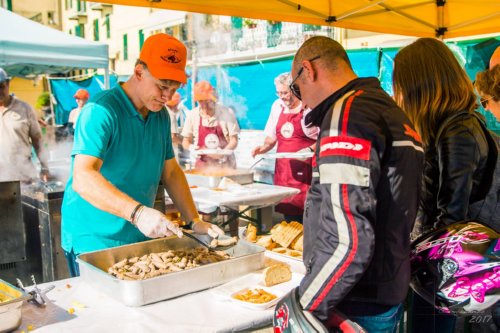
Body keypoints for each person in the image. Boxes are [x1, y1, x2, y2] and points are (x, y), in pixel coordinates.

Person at [277, 36, 424, 332]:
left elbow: (348, 238)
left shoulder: (346, 116)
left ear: (309, 70)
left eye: (296, 88)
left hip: (353, 299)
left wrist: (304, 305)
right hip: (387, 285)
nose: (301, 101)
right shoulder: (391, 111)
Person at [61, 34, 224, 277]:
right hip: (94, 239)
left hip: (137, 235)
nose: (167, 97)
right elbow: (83, 177)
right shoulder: (100, 111)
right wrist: (137, 213)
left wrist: (194, 220)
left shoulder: (160, 116)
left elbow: (170, 172)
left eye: (174, 89)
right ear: (139, 72)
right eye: (162, 86)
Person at [393, 37, 500, 333]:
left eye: (401, 84)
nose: (398, 93)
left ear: (420, 84)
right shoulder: (456, 125)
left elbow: (451, 216)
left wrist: (418, 263)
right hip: (447, 270)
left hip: (449, 271)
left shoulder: (458, 129)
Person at [251, 72, 318, 223]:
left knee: (307, 212)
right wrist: (262, 148)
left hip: (306, 170)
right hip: (284, 170)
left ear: (295, 89)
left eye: (285, 92)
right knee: (288, 213)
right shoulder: (277, 106)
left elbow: (324, 136)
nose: (282, 96)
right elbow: (272, 137)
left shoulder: (308, 107)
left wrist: (309, 150)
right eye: (279, 92)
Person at [0, 67, 50, 182]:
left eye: (1, 87)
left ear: (8, 84)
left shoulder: (25, 108)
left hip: (24, 174)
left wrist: (45, 167)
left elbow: (37, 140)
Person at [181, 80, 240, 169]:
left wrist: (224, 153)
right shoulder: (192, 115)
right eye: (201, 101)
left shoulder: (226, 112)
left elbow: (234, 140)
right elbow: (185, 141)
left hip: (225, 164)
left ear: (213, 98)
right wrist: (191, 148)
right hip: (202, 165)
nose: (204, 105)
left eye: (207, 101)